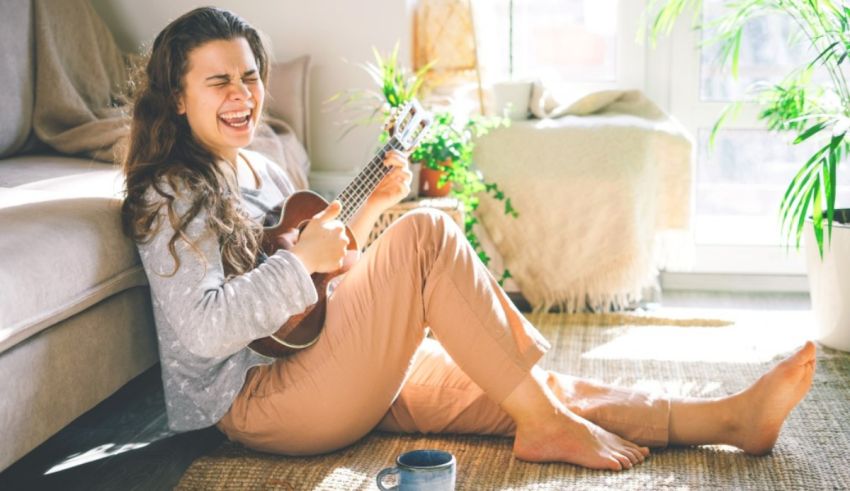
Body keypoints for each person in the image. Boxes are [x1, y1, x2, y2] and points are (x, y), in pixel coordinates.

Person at [121, 7, 816, 472]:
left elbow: (315, 287)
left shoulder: (263, 164)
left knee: (522, 386)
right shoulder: (167, 192)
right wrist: (308, 258)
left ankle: (726, 416)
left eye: (250, 76)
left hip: (317, 363)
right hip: (256, 401)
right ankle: (548, 423)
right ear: (178, 98)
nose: (242, 93)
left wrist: (370, 210)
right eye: (219, 81)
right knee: (427, 232)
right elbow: (207, 327)